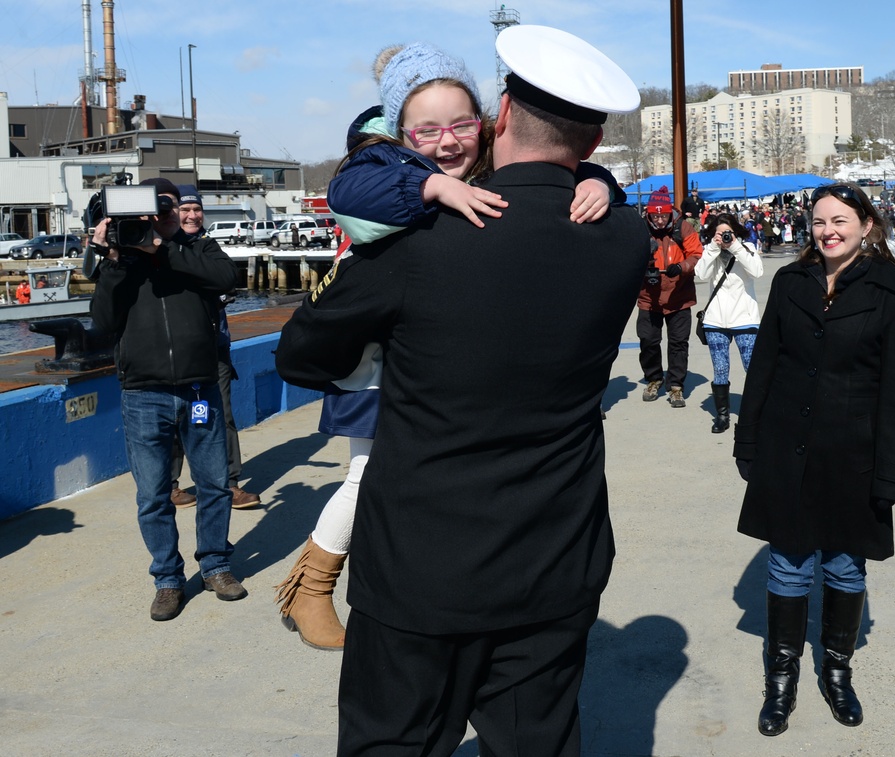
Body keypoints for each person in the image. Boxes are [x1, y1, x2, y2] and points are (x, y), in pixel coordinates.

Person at [276, 24, 649, 755]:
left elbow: (302, 356)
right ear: (595, 145)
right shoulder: (624, 237)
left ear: (498, 116)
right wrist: (599, 184)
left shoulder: (417, 244)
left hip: (423, 570)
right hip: (555, 559)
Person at [733, 181, 895, 737]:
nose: (828, 231)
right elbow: (764, 364)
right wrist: (749, 440)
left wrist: (891, 472)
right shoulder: (791, 283)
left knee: (844, 563)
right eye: (820, 222)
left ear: (867, 225)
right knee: (788, 563)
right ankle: (782, 677)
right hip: (787, 447)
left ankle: (837, 669)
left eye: (840, 220)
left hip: (854, 455)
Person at [89, 177, 247, 622]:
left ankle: (215, 566)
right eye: (151, 211)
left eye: (169, 207)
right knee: (153, 496)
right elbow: (102, 320)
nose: (160, 216)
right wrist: (114, 259)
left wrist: (164, 246)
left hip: (200, 389)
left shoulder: (199, 250)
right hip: (143, 394)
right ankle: (168, 580)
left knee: (215, 486)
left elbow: (225, 277)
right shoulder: (121, 258)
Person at [168, 186, 261, 510]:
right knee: (177, 417)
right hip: (175, 352)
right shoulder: (162, 249)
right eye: (185, 210)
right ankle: (171, 486)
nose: (192, 215)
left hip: (214, 348)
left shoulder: (210, 246)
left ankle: (230, 483)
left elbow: (225, 279)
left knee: (222, 415)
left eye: (197, 209)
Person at [693, 212, 763, 433]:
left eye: (727, 233)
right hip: (716, 320)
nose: (723, 237)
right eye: (718, 233)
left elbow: (757, 272)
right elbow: (701, 273)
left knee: (751, 367)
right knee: (720, 369)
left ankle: (757, 413)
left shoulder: (748, 247)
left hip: (745, 319)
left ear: (735, 231)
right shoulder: (710, 251)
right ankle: (722, 416)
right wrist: (713, 248)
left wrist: (734, 247)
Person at [637, 186, 703, 406]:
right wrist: (643, 265)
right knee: (648, 340)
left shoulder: (683, 227)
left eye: (662, 215)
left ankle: (676, 385)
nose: (658, 220)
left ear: (669, 213)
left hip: (679, 296)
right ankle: (654, 377)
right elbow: (627, 255)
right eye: (654, 216)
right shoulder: (640, 228)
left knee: (678, 343)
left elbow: (696, 255)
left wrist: (682, 267)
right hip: (649, 296)